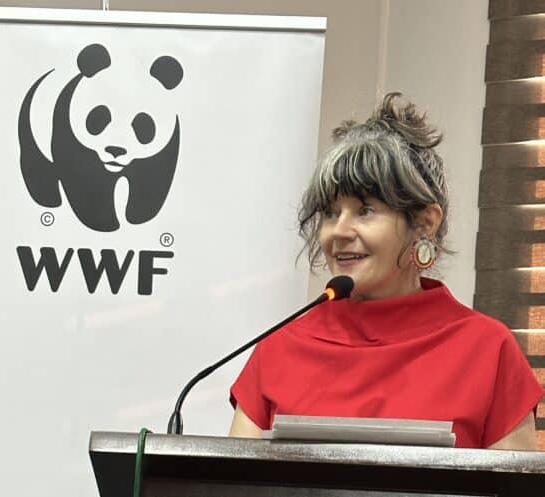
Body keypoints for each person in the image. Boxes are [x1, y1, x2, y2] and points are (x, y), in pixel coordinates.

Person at [229, 93, 542, 449]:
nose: (340, 232)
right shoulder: (277, 349)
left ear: (424, 223)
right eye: (331, 213)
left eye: (365, 210)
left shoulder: (489, 351)